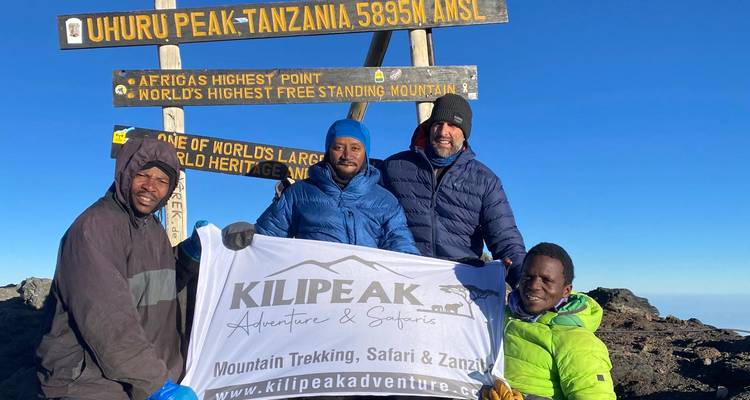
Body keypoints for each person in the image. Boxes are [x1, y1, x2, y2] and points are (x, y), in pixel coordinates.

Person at [36, 138, 201, 400]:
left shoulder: (152, 228)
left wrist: (192, 255)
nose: (150, 186)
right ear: (125, 174)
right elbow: (107, 320)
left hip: (138, 378)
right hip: (90, 384)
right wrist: (158, 385)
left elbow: (159, 282)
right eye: (143, 175)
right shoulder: (94, 228)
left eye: (161, 181)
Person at [380, 93, 526, 286]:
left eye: (453, 125)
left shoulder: (485, 180)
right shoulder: (395, 167)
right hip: (403, 282)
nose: (443, 132)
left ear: (464, 134)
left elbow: (506, 238)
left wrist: (525, 280)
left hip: (459, 284)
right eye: (438, 123)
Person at [256, 118, 419, 255]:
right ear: (328, 151)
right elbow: (265, 238)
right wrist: (245, 236)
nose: (347, 155)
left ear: (365, 153)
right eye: (338, 147)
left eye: (355, 148)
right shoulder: (298, 194)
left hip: (365, 289)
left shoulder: (385, 201)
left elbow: (403, 250)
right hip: (312, 288)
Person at [498, 242, 616, 399]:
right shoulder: (500, 315)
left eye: (546, 280)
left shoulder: (579, 343)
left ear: (566, 290)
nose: (534, 285)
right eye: (528, 276)